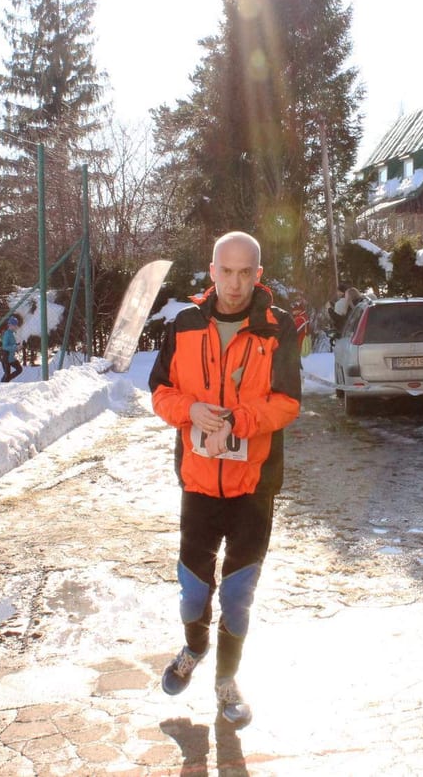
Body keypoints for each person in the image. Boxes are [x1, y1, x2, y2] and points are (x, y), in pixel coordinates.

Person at [149, 231, 302, 728]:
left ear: (258, 275)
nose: (235, 284)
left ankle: (226, 680)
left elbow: (287, 402)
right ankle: (194, 647)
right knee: (193, 594)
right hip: (198, 485)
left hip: (254, 489)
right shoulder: (185, 324)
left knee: (237, 597)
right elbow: (160, 391)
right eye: (226, 271)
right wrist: (190, 410)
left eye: (245, 273)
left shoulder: (277, 328)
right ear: (212, 271)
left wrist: (237, 421)